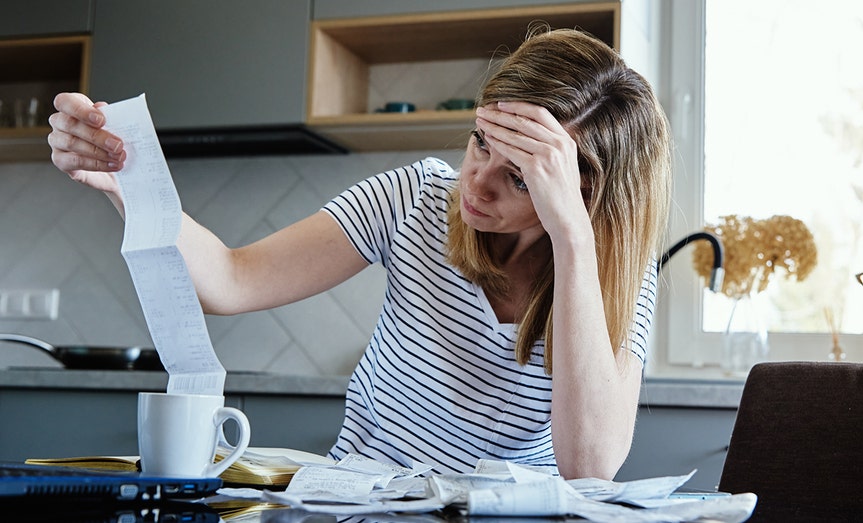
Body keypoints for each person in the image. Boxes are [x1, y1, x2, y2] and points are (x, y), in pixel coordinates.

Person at [47, 28, 672, 480]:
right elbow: (231, 281)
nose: (476, 183)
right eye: (481, 143)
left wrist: (571, 241)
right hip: (362, 504)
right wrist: (129, 184)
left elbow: (590, 465)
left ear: (584, 195)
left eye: (521, 177)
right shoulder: (416, 198)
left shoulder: (611, 268)